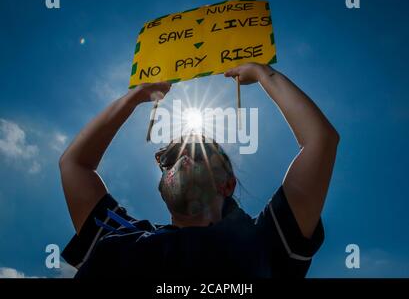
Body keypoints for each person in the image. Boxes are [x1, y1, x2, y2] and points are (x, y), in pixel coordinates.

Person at [59, 62, 339, 278]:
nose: (181, 159)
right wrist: (134, 97)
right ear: (161, 186)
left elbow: (320, 142)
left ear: (227, 184)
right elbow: (74, 165)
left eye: (197, 153)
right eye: (169, 157)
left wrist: (266, 75)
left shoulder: (266, 239)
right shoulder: (121, 238)